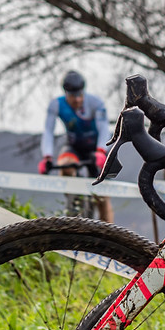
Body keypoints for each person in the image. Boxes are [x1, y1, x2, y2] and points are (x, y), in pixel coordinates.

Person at [40, 70, 113, 222]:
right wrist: (47, 156)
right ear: (66, 93)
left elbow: (104, 128)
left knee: (102, 198)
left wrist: (101, 150)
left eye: (80, 95)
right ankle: (72, 200)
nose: (78, 99)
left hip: (95, 149)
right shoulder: (56, 105)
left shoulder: (95, 103)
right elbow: (48, 131)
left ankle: (110, 238)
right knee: (65, 165)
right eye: (73, 96)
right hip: (74, 147)